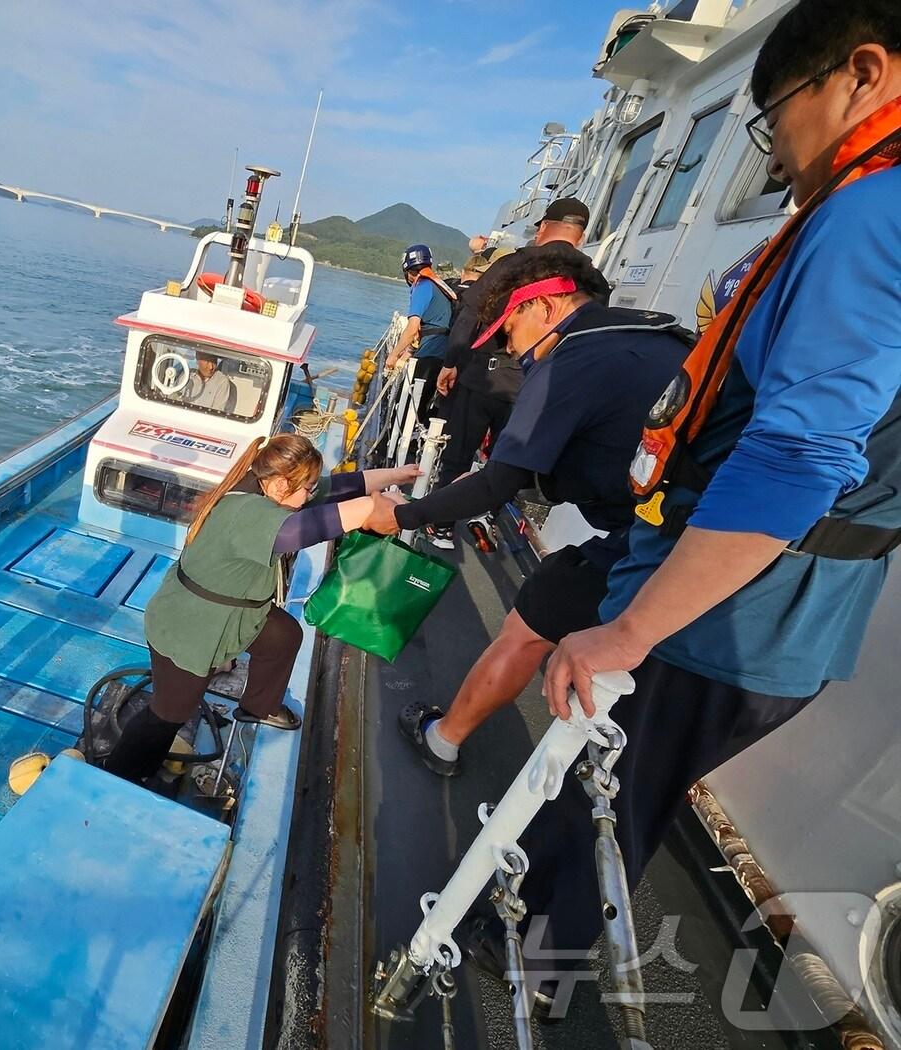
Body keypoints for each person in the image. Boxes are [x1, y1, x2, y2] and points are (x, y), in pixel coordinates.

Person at [491, 1, 901, 1013]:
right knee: (628, 794)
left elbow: (799, 455)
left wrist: (625, 631)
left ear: (859, 73)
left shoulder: (866, 214)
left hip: (721, 625)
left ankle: (527, 987)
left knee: (605, 801)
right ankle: (531, 952)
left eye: (774, 118)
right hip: (791, 628)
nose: (777, 157)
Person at [367, 245, 690, 776]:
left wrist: (401, 516)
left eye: (508, 330)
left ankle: (443, 740)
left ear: (546, 305)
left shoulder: (568, 360)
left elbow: (498, 484)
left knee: (529, 623)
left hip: (655, 541)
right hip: (698, 536)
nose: (512, 351)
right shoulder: (651, 333)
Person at [101, 435, 416, 784]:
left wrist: (396, 475)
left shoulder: (268, 484)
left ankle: (258, 708)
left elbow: (337, 487)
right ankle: (119, 776)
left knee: (283, 636)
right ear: (281, 483)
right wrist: (373, 508)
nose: (311, 495)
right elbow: (299, 532)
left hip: (232, 613)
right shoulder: (249, 511)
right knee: (168, 714)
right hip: (189, 628)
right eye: (307, 489)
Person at [426, 200, 596, 550]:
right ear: (581, 236)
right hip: (534, 390)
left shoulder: (513, 264)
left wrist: (452, 361)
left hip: (482, 378)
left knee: (457, 454)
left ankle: (441, 525)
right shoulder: (591, 280)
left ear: (544, 228)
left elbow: (471, 311)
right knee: (506, 463)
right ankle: (485, 516)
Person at [385, 244, 455, 427]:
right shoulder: (436, 285)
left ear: (407, 270)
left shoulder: (422, 286)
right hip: (440, 353)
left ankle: (388, 450)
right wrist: (407, 352)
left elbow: (412, 327)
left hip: (430, 353)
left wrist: (393, 356)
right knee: (419, 405)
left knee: (407, 404)